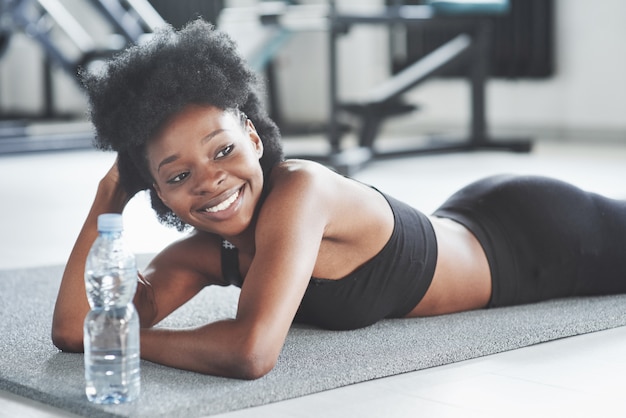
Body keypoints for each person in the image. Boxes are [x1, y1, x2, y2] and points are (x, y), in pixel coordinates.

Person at [51, 20, 626, 380]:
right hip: (469, 216)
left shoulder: (305, 189)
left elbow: (250, 353)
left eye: (223, 150)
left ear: (253, 136)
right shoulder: (203, 256)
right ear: (156, 191)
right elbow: (76, 332)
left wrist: (125, 340)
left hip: (539, 236)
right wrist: (107, 200)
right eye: (177, 177)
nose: (209, 181)